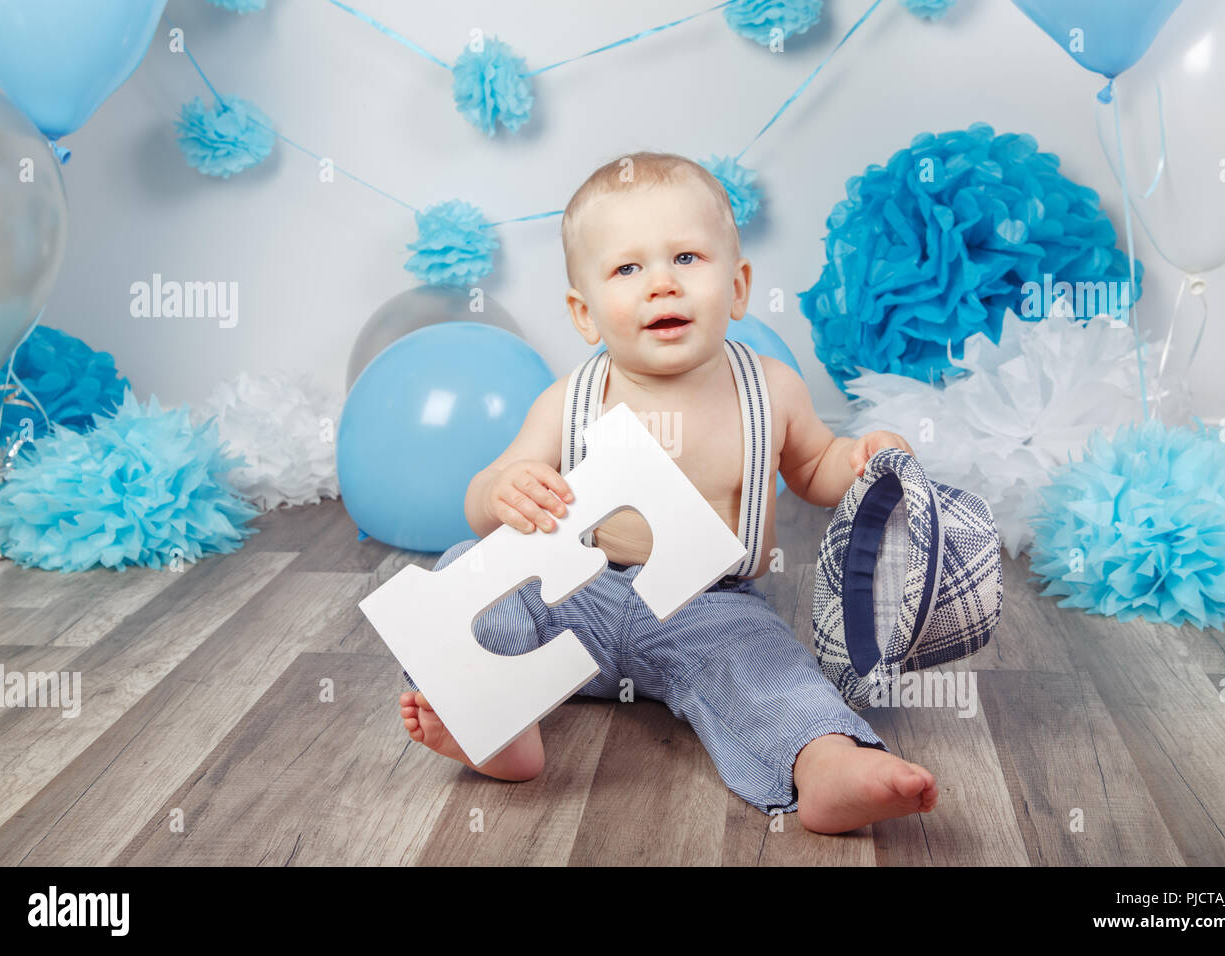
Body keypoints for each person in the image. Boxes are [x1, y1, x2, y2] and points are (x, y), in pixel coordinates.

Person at [398, 152, 937, 833]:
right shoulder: (570, 400)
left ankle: (827, 763)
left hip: (705, 608)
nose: (662, 285)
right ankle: (498, 727)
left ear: (738, 287)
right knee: (458, 576)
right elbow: (482, 501)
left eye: (686, 258)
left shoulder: (769, 389)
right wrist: (505, 489)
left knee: (767, 668)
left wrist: (857, 459)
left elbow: (815, 469)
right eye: (628, 269)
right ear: (584, 313)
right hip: (576, 598)